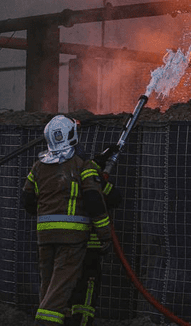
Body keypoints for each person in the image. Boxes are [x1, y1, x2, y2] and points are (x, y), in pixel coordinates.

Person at [22, 115, 113, 326]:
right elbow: (94, 201)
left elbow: (26, 201)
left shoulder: (37, 167)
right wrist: (105, 235)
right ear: (72, 136)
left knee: (49, 286)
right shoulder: (81, 165)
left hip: (44, 237)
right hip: (72, 239)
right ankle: (43, 323)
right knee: (60, 288)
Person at [67, 144, 123, 326]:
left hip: (61, 246)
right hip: (88, 247)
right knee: (87, 290)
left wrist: (98, 163)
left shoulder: (53, 174)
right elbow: (112, 198)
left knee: (64, 291)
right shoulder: (89, 177)